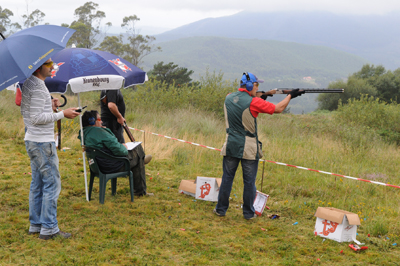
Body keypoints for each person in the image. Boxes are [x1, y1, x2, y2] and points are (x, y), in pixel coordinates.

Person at [214, 72, 304, 220]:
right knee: (249, 182)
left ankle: (220, 209)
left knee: (227, 179)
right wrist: (290, 96)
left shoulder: (228, 97)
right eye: (257, 85)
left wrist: (261, 95)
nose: (258, 88)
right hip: (248, 147)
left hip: (230, 144)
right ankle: (248, 213)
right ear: (250, 86)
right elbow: (278, 109)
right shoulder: (254, 102)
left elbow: (240, 100)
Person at [21, 58, 80, 240]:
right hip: (42, 143)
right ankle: (49, 229)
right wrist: (62, 113)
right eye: (49, 65)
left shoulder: (30, 83)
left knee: (37, 184)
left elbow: (32, 112)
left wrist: (50, 105)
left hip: (32, 139)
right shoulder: (38, 87)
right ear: (39, 67)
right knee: (52, 184)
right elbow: (37, 117)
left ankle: (36, 225)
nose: (53, 67)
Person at [78, 110, 150, 196]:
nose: (101, 121)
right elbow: (121, 151)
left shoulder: (83, 133)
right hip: (112, 166)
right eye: (99, 119)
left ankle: (141, 161)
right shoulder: (101, 133)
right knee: (137, 149)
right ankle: (140, 190)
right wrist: (123, 146)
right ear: (92, 121)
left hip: (97, 166)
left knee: (137, 157)